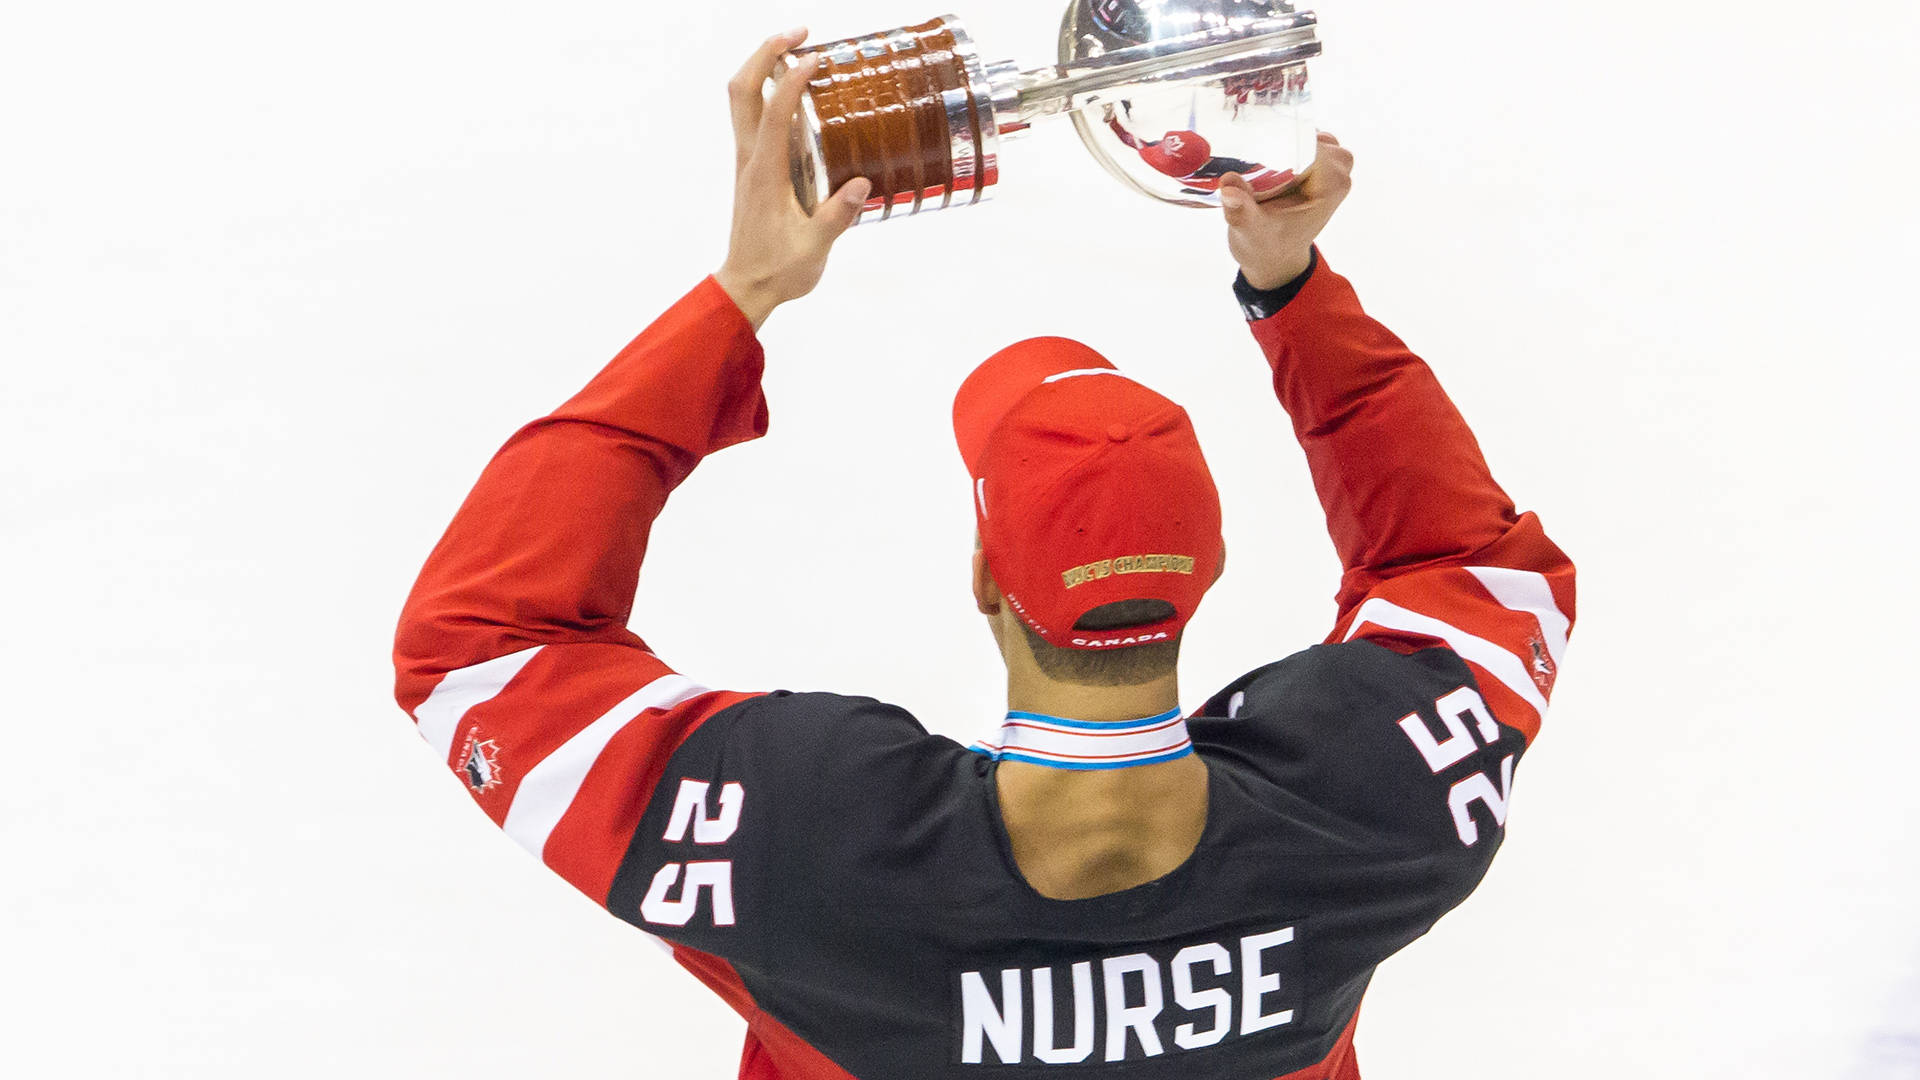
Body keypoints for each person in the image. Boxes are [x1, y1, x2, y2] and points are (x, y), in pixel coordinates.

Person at [393, 29, 1576, 1080]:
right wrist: (1292, 284)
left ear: (984, 577)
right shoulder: (1378, 804)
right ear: (1208, 569)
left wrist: (742, 292)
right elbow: (1469, 565)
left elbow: (480, 647)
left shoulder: (809, 845)